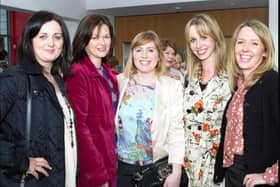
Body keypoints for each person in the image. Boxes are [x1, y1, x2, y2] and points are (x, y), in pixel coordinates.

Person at [0, 10, 77, 187]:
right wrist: (21, 162)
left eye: (57, 37)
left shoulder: (57, 79)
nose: (51, 43)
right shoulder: (14, 79)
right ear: (30, 40)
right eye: (43, 36)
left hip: (62, 175)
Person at [115, 30, 185, 187]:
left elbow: (176, 131)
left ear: (158, 55)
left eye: (150, 50)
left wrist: (176, 172)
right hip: (122, 169)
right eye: (139, 50)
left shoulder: (172, 86)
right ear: (132, 55)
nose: (144, 55)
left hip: (154, 170)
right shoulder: (119, 82)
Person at [214, 20, 279, 187]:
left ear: (265, 51)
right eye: (240, 42)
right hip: (234, 172)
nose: (245, 49)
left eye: (254, 43)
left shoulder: (272, 82)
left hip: (257, 175)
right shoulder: (239, 86)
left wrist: (270, 175)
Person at [64, 14, 119, 187]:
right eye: (95, 37)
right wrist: (97, 174)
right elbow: (79, 128)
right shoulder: (78, 73)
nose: (102, 42)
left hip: (112, 157)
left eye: (106, 36)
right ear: (84, 39)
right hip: (94, 166)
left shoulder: (107, 73)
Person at [183, 13, 231, 187]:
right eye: (193, 40)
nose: (198, 45)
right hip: (188, 165)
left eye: (203, 37)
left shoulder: (233, 78)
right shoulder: (187, 78)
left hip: (218, 166)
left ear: (215, 38)